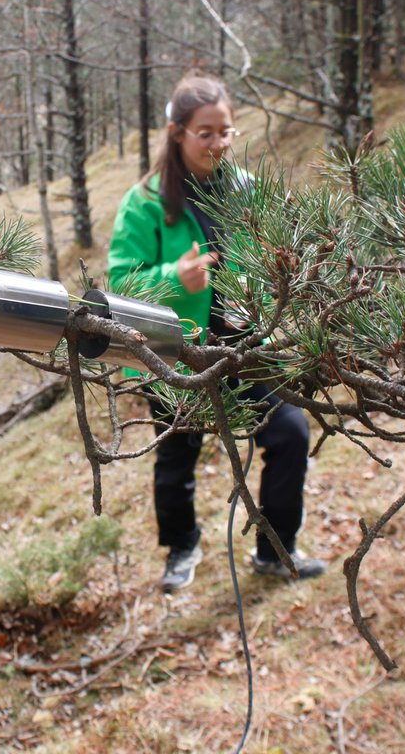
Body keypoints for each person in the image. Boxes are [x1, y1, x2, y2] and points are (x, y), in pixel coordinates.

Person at [107, 73, 327, 592]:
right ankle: (182, 548)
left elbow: (278, 255)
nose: (218, 143)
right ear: (177, 132)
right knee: (178, 455)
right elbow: (120, 283)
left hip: (249, 345)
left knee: (291, 435)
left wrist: (272, 285)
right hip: (177, 350)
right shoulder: (145, 202)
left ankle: (276, 549)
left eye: (225, 131)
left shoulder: (248, 188)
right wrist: (173, 278)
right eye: (205, 132)